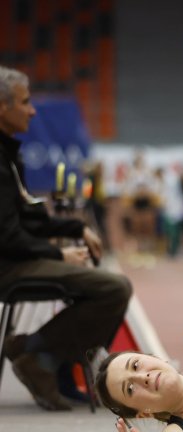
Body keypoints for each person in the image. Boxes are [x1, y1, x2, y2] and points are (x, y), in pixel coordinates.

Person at [0, 66, 132, 410]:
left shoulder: (8, 154)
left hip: (15, 259)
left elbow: (27, 217)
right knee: (113, 288)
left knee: (104, 285)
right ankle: (35, 353)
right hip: (8, 268)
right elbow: (7, 237)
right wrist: (59, 256)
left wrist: (75, 230)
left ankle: (47, 359)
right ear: (2, 106)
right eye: (25, 102)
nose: (32, 110)